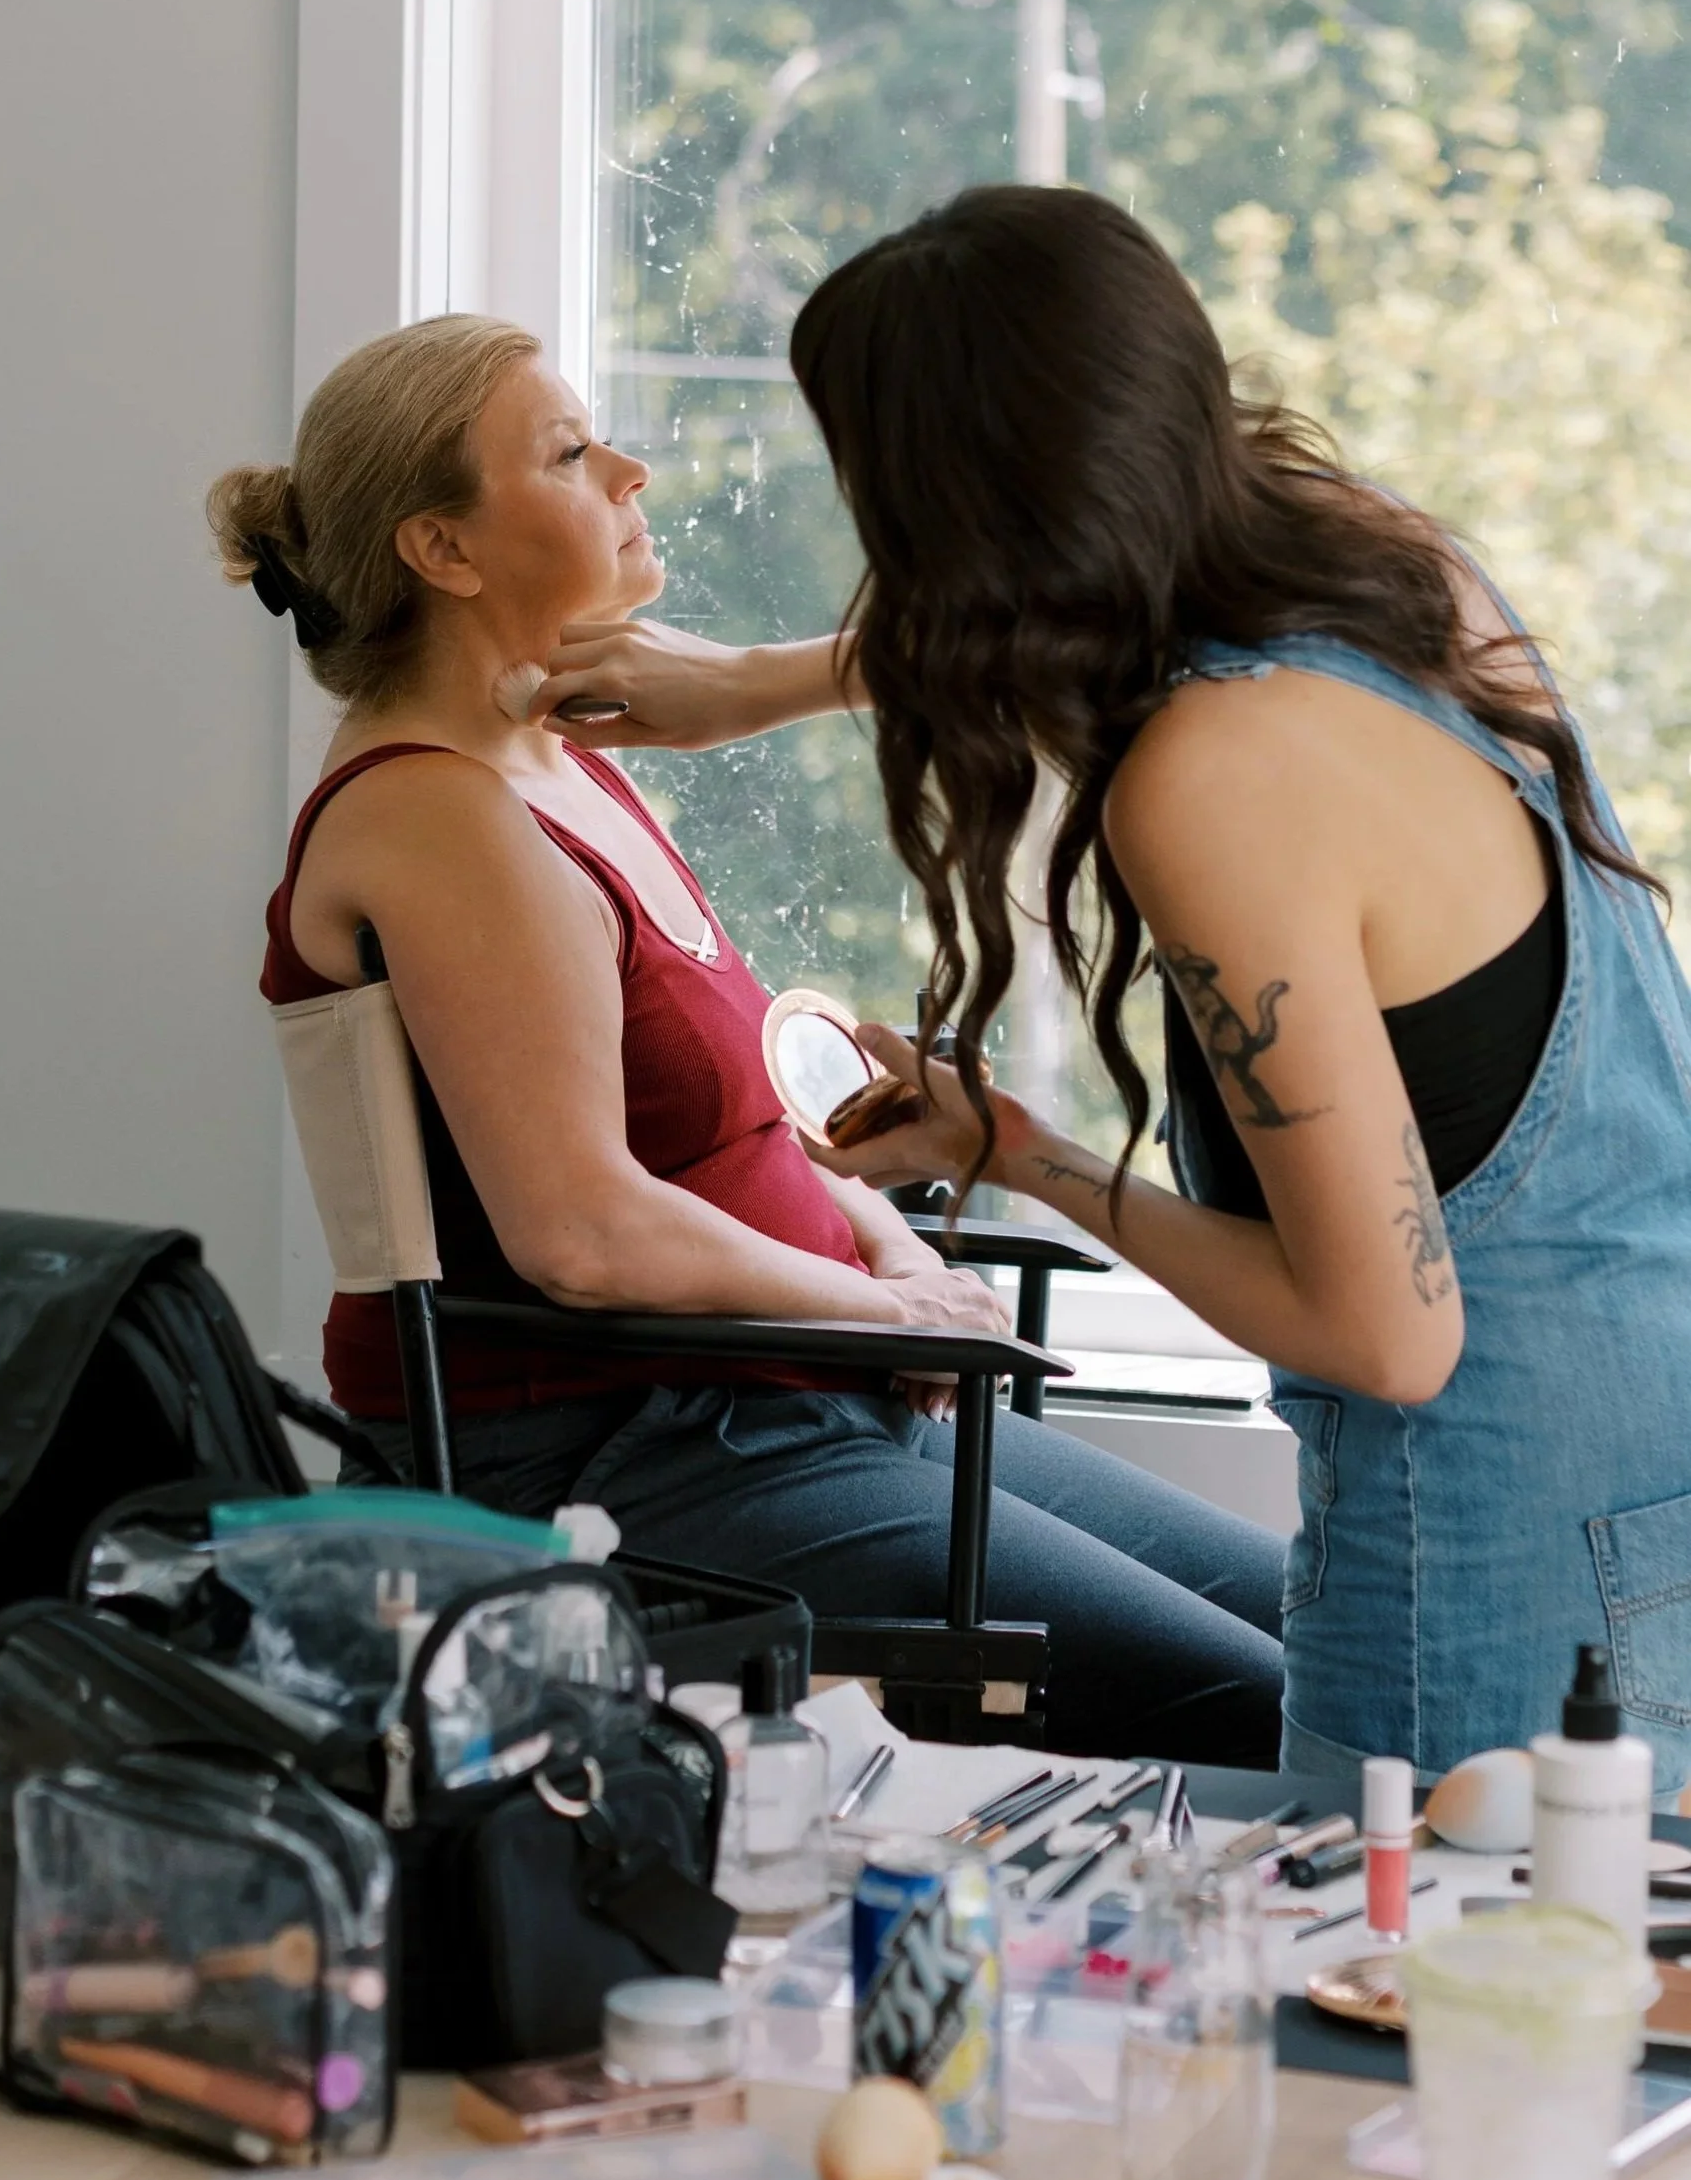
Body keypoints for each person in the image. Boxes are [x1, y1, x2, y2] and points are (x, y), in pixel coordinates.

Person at [531, 184, 1691, 1797]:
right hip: (1648, 1484)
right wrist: (758, 684)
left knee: (1404, 1966)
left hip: (1483, 1566)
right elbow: (1071, 609)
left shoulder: (1212, 780)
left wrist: (1024, 1153)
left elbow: (1385, 1334)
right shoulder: (1389, 568)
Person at [209, 314, 1285, 1764]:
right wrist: (881, 1316)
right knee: (1288, 1704)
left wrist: (901, 1264)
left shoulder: (564, 768)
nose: (629, 471)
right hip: (631, 1448)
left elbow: (743, 1138)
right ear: (443, 549)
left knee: (1332, 1627)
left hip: (787, 1395)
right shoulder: (436, 816)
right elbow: (582, 1233)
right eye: (570, 453)